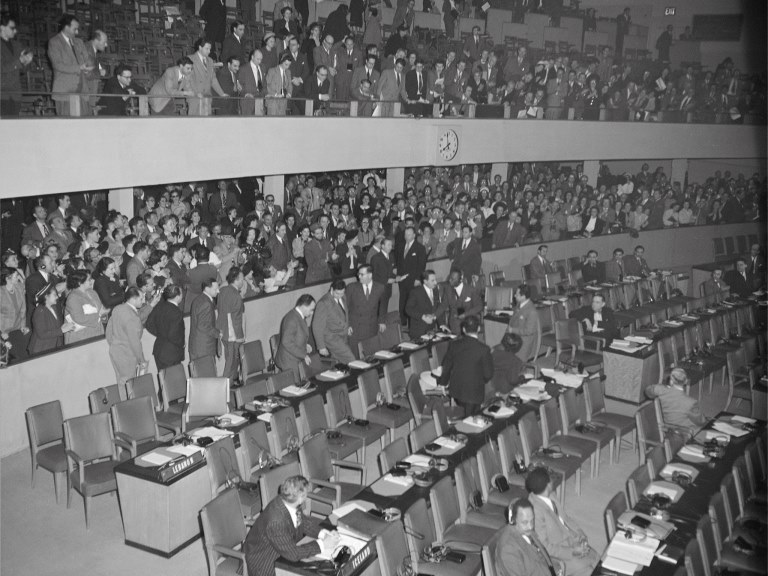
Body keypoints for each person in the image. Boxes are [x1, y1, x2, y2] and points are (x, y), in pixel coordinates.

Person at [244, 474, 341, 576]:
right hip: (264, 562)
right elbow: (293, 554)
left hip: (283, 547)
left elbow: (303, 521)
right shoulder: (276, 522)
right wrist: (323, 544)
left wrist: (323, 534)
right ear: (300, 498)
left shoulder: (288, 500)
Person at [526, 468, 598, 576]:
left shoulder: (551, 495)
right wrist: (572, 551)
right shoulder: (535, 512)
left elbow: (565, 518)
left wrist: (580, 534)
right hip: (559, 555)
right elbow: (546, 547)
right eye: (550, 479)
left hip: (570, 539)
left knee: (597, 560)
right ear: (548, 484)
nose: (552, 480)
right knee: (589, 570)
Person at [438, 315, 493, 416]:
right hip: (474, 393)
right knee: (472, 418)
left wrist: (443, 383)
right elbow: (488, 374)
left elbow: (447, 366)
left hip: (456, 391)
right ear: (479, 328)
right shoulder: (484, 349)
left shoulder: (454, 345)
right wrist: (480, 380)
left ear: (463, 329)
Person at [495, 498, 565, 576]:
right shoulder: (508, 549)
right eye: (525, 522)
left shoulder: (525, 532)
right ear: (513, 520)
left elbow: (541, 556)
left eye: (532, 520)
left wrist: (557, 568)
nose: (530, 526)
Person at [48, 14, 92, 116]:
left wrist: (88, 68)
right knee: (66, 126)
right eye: (75, 29)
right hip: (65, 90)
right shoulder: (54, 42)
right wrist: (79, 68)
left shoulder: (79, 42)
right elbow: (57, 65)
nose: (77, 32)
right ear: (66, 27)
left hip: (82, 89)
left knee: (84, 124)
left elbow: (87, 60)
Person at [105, 286, 146, 386]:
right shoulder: (132, 316)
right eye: (141, 298)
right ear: (133, 299)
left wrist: (115, 345)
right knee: (131, 386)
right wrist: (141, 360)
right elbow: (135, 341)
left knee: (121, 383)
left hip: (115, 352)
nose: (143, 301)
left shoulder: (117, 309)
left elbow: (108, 332)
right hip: (128, 355)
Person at [645, 368, 706, 434]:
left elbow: (648, 391)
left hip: (667, 426)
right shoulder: (691, 402)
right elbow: (700, 422)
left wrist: (665, 388)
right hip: (684, 432)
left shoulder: (660, 390)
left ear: (671, 381)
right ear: (686, 381)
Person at [346, 264, 387, 357]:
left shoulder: (380, 287)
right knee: (355, 358)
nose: (358, 276)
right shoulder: (351, 288)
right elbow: (344, 309)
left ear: (370, 275)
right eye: (358, 274)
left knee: (371, 356)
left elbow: (383, 306)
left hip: (371, 327)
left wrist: (382, 321)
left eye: (361, 274)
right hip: (355, 329)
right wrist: (347, 325)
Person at [312, 279, 356, 363]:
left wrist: (348, 326)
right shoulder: (323, 303)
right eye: (337, 293)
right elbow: (317, 326)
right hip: (332, 338)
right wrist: (321, 347)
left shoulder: (343, 297)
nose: (340, 296)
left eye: (342, 293)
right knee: (351, 359)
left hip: (343, 336)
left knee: (339, 363)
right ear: (331, 289)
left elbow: (344, 314)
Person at [1, 12, 34, 117]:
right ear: (2, 27)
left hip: (15, 93)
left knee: (14, 127)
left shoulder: (17, 45)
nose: (15, 31)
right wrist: (19, 62)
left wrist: (26, 62)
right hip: (1, 93)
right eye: (12, 28)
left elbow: (22, 71)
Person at [275, 294, 316, 380]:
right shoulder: (291, 319)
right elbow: (286, 342)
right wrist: (304, 355)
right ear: (304, 306)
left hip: (295, 357)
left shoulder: (299, 316)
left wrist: (305, 345)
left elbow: (297, 336)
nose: (312, 313)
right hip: (288, 360)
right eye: (311, 310)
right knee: (297, 388)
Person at [145, 284, 185, 371]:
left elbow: (148, 324)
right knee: (173, 382)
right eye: (181, 293)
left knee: (164, 381)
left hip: (159, 350)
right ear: (177, 296)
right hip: (171, 353)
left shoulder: (159, 306)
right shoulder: (176, 312)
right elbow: (174, 335)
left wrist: (160, 333)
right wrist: (182, 343)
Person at [217, 266, 246, 383]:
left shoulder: (222, 290)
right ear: (237, 280)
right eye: (242, 279)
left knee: (229, 358)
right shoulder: (236, 296)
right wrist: (240, 337)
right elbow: (236, 318)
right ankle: (224, 387)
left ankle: (232, 382)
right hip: (232, 334)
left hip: (221, 330)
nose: (243, 282)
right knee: (231, 361)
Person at [28, 285, 74, 355]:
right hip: (41, 349)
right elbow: (42, 334)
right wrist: (61, 330)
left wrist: (64, 327)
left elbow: (54, 327)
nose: (57, 297)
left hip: (52, 347)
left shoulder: (53, 307)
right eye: (55, 295)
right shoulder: (39, 311)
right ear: (46, 296)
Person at [64, 270, 106, 344]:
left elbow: (101, 309)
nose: (92, 281)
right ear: (80, 283)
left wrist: (103, 315)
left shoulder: (92, 292)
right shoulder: (72, 298)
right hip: (81, 337)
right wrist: (98, 315)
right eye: (89, 280)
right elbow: (79, 318)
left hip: (97, 332)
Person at [396, 226, 427, 326]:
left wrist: (418, 279)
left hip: (413, 280)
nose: (406, 236)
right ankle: (403, 323)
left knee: (412, 303)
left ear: (414, 235)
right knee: (402, 301)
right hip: (402, 280)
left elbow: (422, 265)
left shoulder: (420, 248)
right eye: (405, 234)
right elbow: (399, 262)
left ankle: (412, 324)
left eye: (408, 234)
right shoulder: (400, 246)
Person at [405, 269, 446, 339]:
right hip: (418, 331)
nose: (436, 282)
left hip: (430, 330)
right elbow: (408, 309)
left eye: (435, 279)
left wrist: (441, 324)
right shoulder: (415, 292)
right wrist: (422, 317)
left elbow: (437, 308)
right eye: (432, 280)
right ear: (425, 281)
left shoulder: (436, 290)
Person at [189, 277, 220, 365]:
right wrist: (217, 333)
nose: (218, 291)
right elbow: (203, 325)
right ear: (207, 288)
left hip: (198, 346)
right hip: (204, 347)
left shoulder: (198, 299)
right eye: (215, 289)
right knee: (207, 376)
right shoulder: (206, 303)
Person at [0, 267, 29, 361]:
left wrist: (23, 325)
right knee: (12, 358)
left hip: (18, 328)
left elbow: (23, 309)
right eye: (16, 276)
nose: (18, 278)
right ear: (7, 278)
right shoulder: (1, 293)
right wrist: (1, 334)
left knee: (24, 355)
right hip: (5, 332)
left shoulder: (19, 287)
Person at [506, 284, 540, 362]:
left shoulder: (532, 311)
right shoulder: (519, 304)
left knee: (517, 365)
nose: (514, 296)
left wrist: (512, 330)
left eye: (517, 294)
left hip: (523, 342)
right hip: (513, 338)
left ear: (523, 296)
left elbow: (529, 331)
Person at [443, 268, 482, 334]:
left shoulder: (470, 289)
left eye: (453, 279)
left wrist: (465, 315)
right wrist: (434, 316)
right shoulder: (448, 289)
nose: (450, 280)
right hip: (455, 321)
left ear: (460, 279)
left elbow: (479, 306)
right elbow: (443, 305)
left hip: (468, 319)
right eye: (450, 278)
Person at [491, 332, 524, 396]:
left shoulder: (493, 353)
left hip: (490, 386)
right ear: (518, 348)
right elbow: (513, 380)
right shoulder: (516, 361)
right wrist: (521, 378)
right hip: (504, 389)